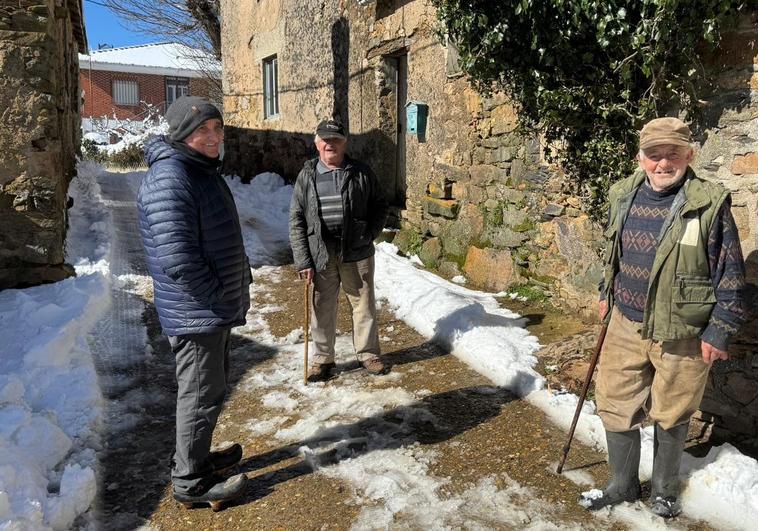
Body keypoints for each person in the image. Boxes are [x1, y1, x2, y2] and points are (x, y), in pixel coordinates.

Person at [581, 117, 746, 517]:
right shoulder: (623, 194)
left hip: (683, 332)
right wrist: (607, 295)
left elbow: (732, 273)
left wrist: (719, 330)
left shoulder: (708, 203)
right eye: (654, 154)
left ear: (690, 155)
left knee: (673, 411)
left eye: (673, 153)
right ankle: (621, 485)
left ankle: (665, 490)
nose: (663, 162)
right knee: (614, 402)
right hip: (625, 322)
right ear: (641, 158)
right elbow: (612, 255)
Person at [137, 96, 251, 509]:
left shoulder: (196, 170)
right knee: (201, 394)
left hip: (207, 310)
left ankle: (198, 458)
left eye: (217, 128)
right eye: (203, 130)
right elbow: (178, 258)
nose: (213, 137)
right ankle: (190, 481)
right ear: (182, 134)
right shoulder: (172, 178)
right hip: (197, 311)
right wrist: (216, 294)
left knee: (210, 388)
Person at [289, 119, 389, 382]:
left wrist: (368, 233)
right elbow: (296, 218)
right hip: (321, 251)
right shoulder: (307, 175)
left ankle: (368, 353)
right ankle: (322, 359)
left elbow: (381, 205)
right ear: (317, 143)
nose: (330, 144)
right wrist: (303, 260)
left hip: (356, 251)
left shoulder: (361, 172)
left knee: (363, 303)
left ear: (345, 143)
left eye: (335, 139)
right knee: (322, 305)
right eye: (325, 139)